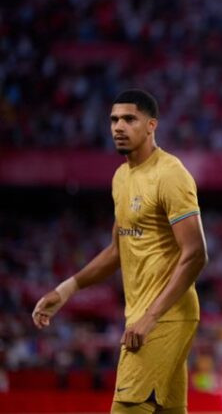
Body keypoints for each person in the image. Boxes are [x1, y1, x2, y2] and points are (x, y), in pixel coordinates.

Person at [32, 89, 208, 414]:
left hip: (165, 315)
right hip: (147, 315)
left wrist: (150, 318)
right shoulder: (121, 178)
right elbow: (117, 249)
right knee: (164, 409)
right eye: (114, 119)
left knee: (126, 406)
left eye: (129, 119)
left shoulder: (170, 174)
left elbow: (196, 254)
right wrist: (66, 289)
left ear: (151, 125)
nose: (118, 127)